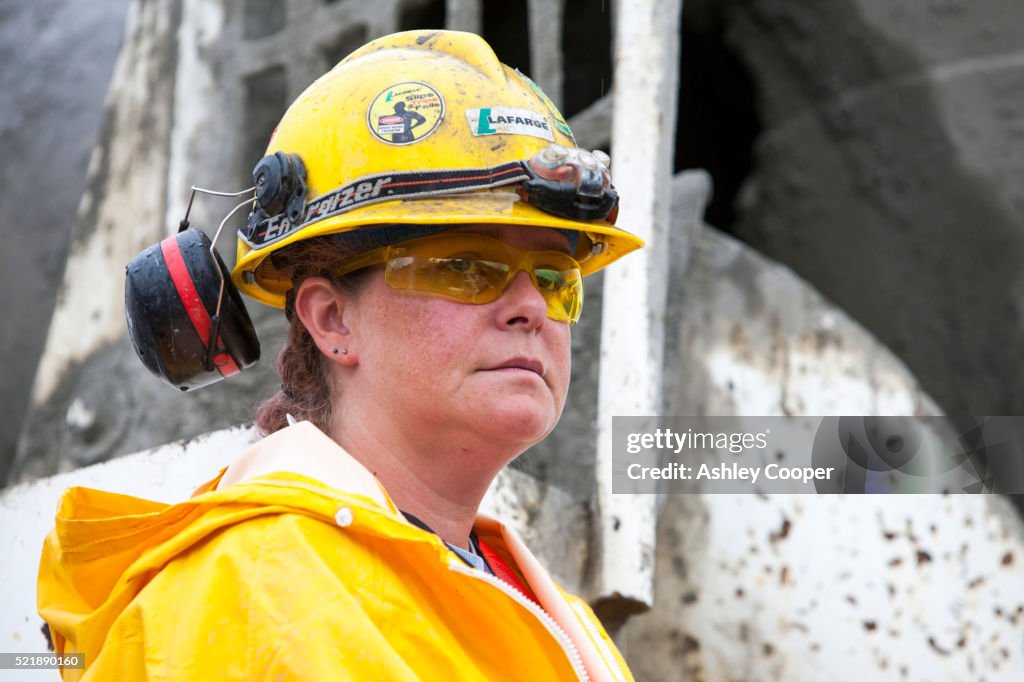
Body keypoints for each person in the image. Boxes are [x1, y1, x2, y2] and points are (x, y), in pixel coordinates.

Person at [38, 30, 642, 680]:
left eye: (556, 280)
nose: (531, 307)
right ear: (332, 320)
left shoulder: (568, 629)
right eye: (466, 268)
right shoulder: (238, 593)